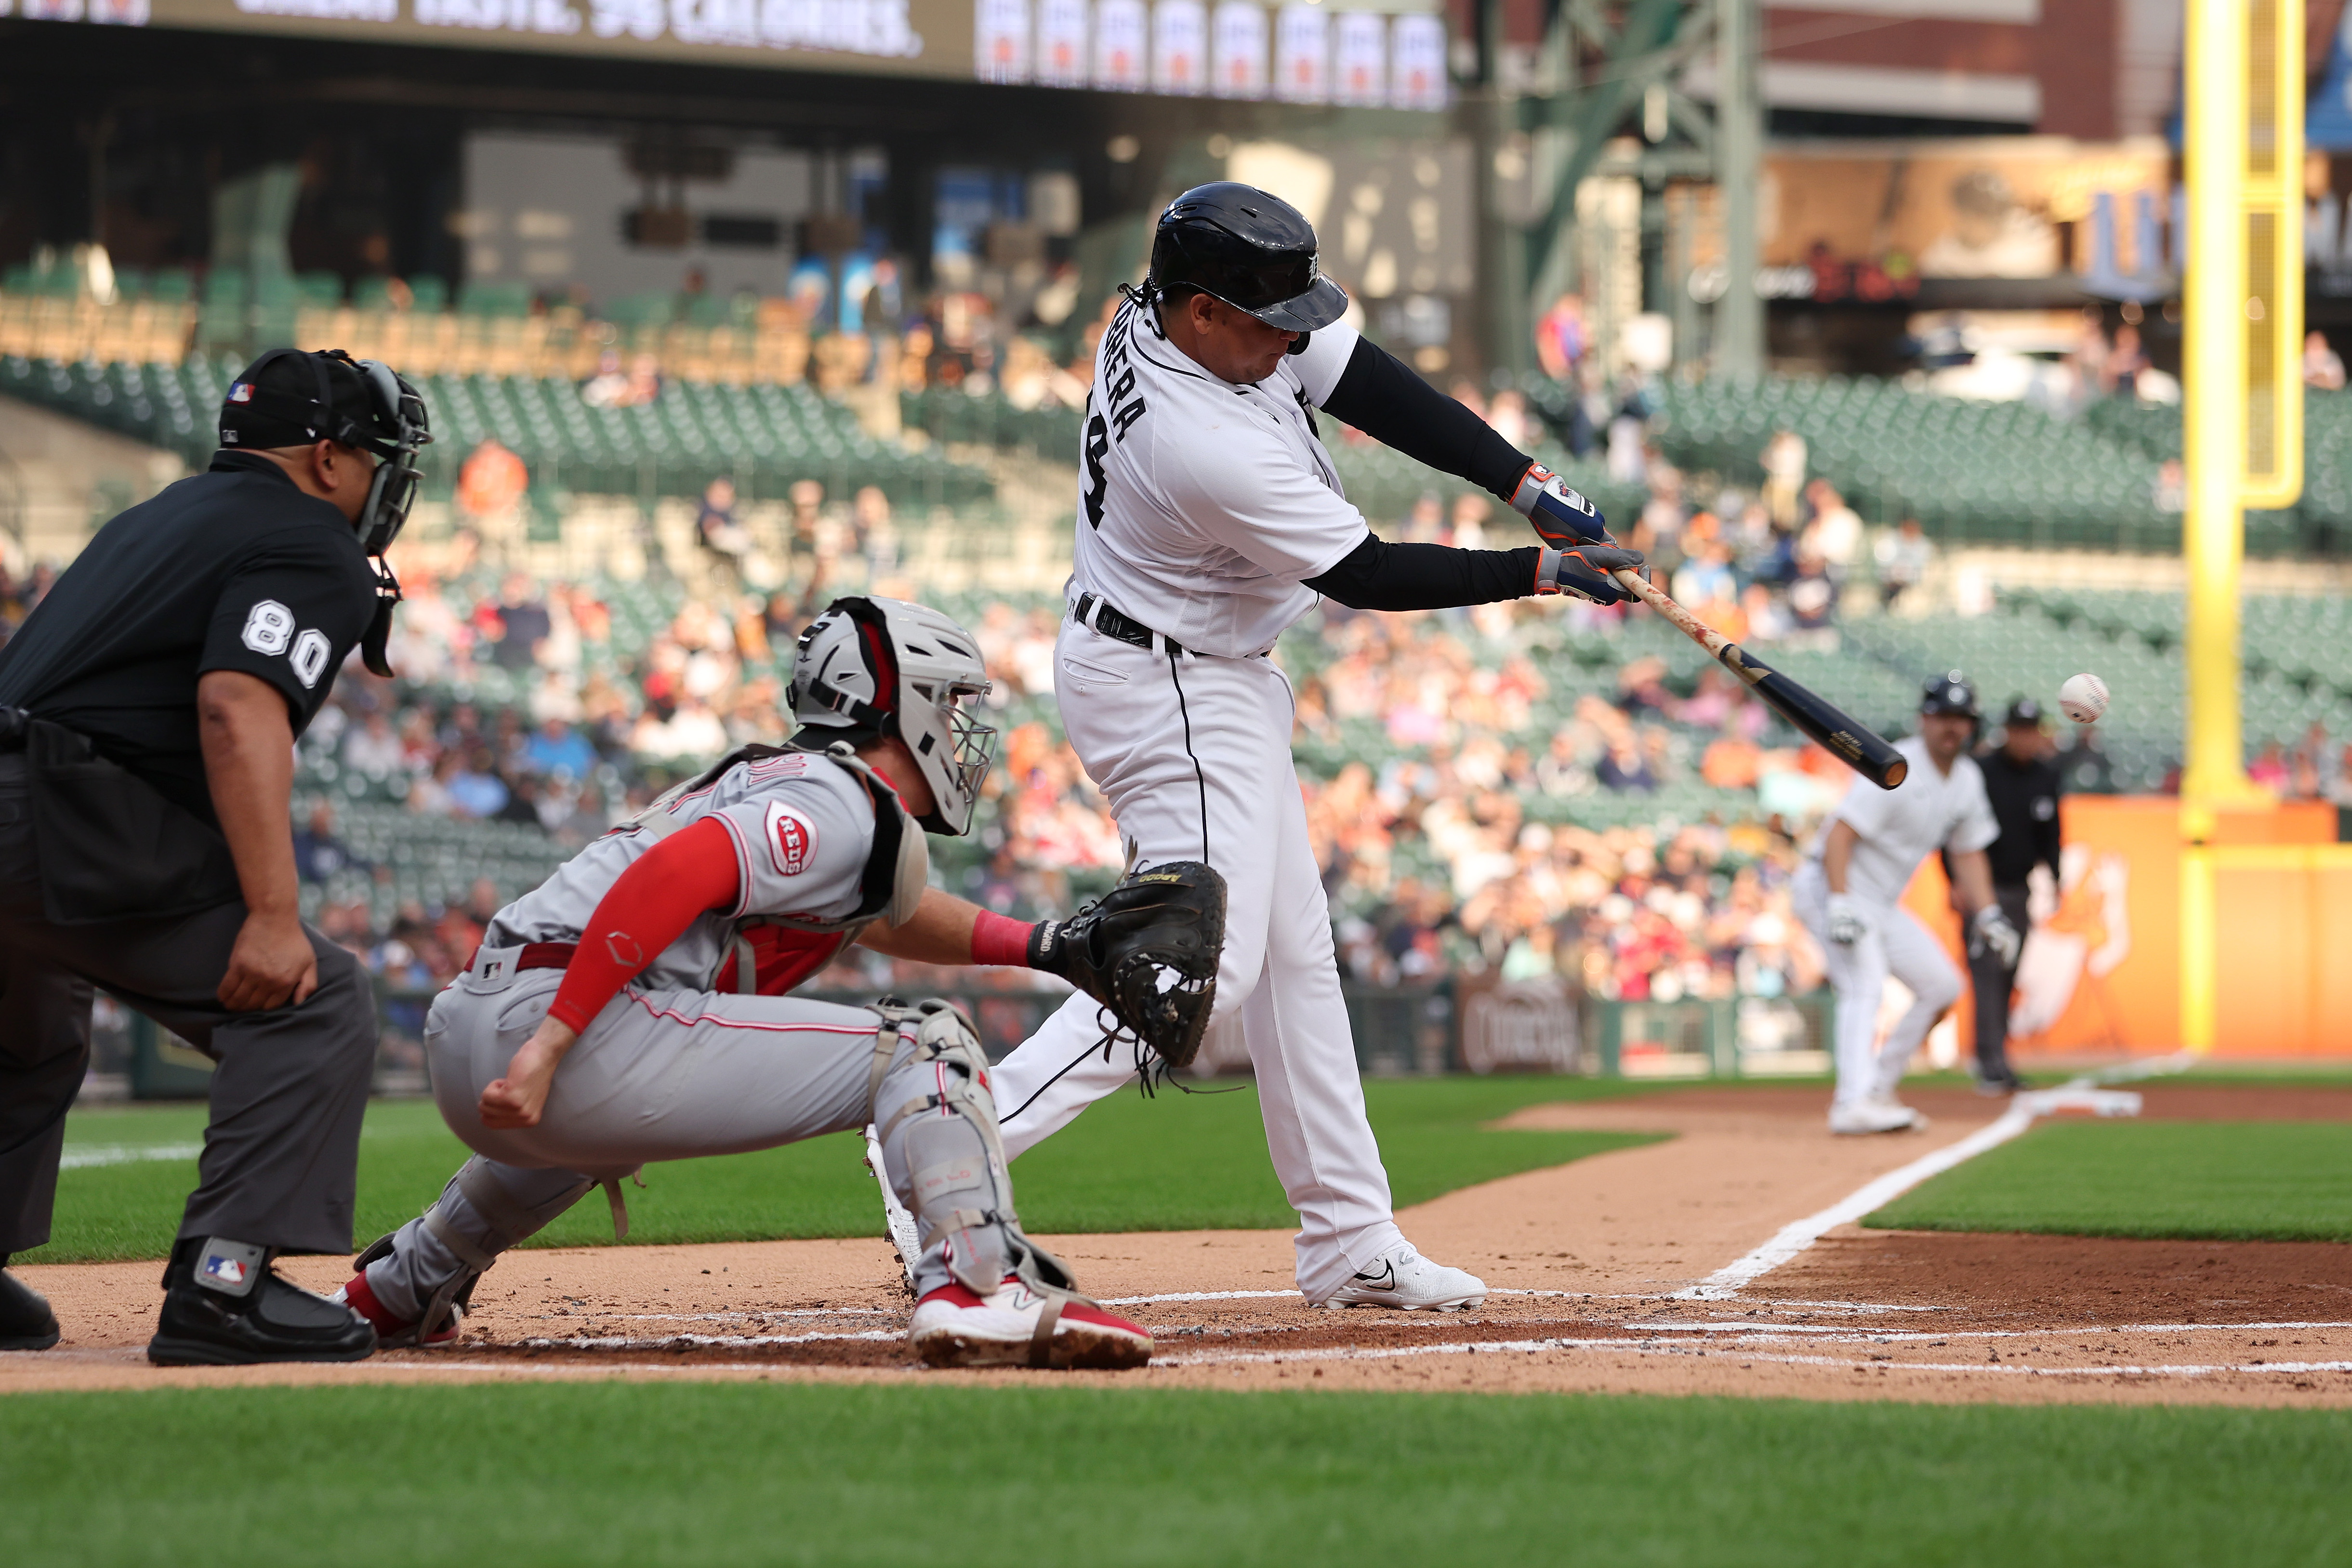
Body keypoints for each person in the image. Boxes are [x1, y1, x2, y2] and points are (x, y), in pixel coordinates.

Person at [981, 181, 1644, 1310]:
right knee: (1202, 964)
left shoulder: (1184, 317)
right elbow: (1365, 574)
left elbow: (1367, 379)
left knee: (1295, 963)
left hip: (1202, 669)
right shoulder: (1199, 439)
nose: (1291, 336)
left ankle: (1348, 1238)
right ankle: (951, 1138)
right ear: (1198, 311)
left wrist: (1519, 481)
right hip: (1166, 680)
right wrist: (1530, 570)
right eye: (1267, 321)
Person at [331, 597, 1156, 1369]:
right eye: (945, 705)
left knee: (598, 1120)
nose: (956, 728)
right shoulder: (840, 801)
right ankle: (978, 1284)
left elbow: (883, 916)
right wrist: (555, 1042)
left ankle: (401, 1286)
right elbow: (675, 874)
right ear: (894, 706)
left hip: (477, 1021)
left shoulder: (779, 782)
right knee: (925, 1041)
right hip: (553, 1023)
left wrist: (1044, 945)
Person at [0, 348, 430, 1361]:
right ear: (328, 459)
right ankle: (223, 1285)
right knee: (314, 997)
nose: (384, 485)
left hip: (30, 805)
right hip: (58, 816)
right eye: (378, 460)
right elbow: (236, 705)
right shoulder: (308, 539)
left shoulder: (153, 518)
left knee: (30, 1018)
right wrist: (273, 917)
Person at [1793, 673, 2020, 1134]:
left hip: (1880, 901)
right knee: (1865, 984)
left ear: (1973, 725)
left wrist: (1989, 912)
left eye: (1961, 718)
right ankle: (1851, 1103)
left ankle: (1877, 1089)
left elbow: (1969, 851)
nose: (1951, 728)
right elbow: (1840, 835)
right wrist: (1838, 902)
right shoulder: (1894, 765)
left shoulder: (1968, 779)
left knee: (1943, 986)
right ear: (1924, 719)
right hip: (1830, 884)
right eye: (1943, 717)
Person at [1963, 698, 2061, 1094]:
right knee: (1987, 974)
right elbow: (1958, 832)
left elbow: (2052, 833)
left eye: (2031, 730)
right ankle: (1990, 1062)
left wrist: (2056, 876)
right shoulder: (1981, 772)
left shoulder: (2045, 776)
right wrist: (1958, 881)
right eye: (2019, 730)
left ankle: (1998, 1056)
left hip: (2020, 889)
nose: (2025, 738)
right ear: (2007, 731)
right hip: (1984, 888)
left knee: (2007, 976)